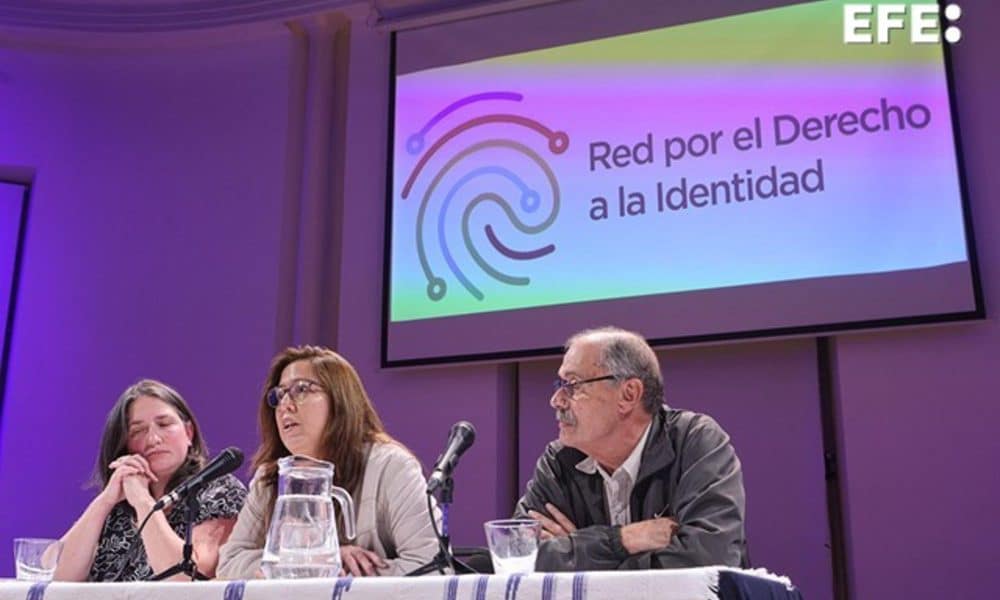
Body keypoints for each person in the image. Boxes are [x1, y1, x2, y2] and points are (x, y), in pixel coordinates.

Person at [514, 326, 747, 571]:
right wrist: (623, 539)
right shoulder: (559, 461)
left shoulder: (694, 442)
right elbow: (517, 555)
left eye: (573, 385)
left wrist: (577, 553)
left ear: (628, 394)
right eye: (559, 385)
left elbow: (706, 560)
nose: (557, 400)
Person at [217, 346, 439, 578]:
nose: (285, 406)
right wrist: (313, 560)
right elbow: (229, 563)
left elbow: (432, 567)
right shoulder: (270, 478)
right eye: (279, 395)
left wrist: (337, 575)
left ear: (341, 400)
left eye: (301, 389)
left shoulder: (391, 466)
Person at [54, 379, 247, 581]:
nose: (153, 439)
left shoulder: (221, 490)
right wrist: (105, 501)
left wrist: (143, 502)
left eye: (164, 424)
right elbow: (54, 575)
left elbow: (186, 579)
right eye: (137, 431)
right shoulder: (117, 507)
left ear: (189, 433)